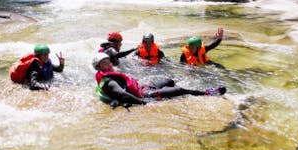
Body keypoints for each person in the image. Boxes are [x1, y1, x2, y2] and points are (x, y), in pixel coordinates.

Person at [92, 53, 226, 108]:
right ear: (99, 68)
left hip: (142, 88)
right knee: (179, 90)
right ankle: (207, 93)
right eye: (105, 64)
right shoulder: (110, 81)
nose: (109, 65)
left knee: (169, 80)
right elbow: (121, 94)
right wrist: (143, 103)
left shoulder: (106, 75)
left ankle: (169, 92)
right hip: (144, 95)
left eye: (109, 62)